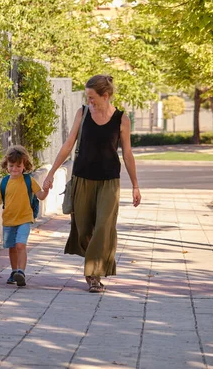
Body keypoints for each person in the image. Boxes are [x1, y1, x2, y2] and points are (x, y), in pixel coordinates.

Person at [43, 74, 141, 293]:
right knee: (84, 229)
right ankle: (95, 264)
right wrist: (51, 172)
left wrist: (135, 185)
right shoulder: (83, 113)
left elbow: (127, 153)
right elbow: (69, 144)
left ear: (105, 96)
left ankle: (93, 274)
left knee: (104, 228)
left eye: (92, 97)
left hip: (109, 182)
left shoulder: (121, 119)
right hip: (82, 178)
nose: (89, 101)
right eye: (87, 97)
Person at [0, 145, 49, 287]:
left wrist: (46, 189)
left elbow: (40, 196)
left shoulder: (29, 180)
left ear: (24, 165)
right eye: (11, 166)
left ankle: (21, 272)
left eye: (18, 166)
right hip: (9, 220)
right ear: (7, 165)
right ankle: (14, 272)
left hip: (24, 219)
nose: (15, 169)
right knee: (12, 247)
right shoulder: (3, 182)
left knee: (20, 245)